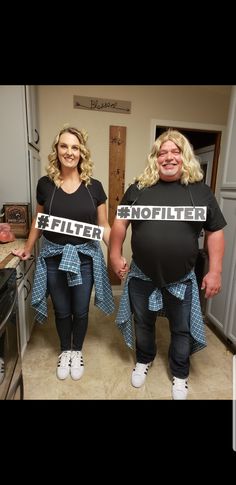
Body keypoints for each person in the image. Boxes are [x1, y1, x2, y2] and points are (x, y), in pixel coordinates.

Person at [109, 129, 226, 399]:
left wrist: (216, 271)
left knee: (181, 327)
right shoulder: (138, 188)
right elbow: (120, 223)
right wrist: (114, 254)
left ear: (184, 157)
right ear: (155, 158)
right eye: (163, 152)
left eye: (175, 152)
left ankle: (180, 374)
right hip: (141, 275)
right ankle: (144, 358)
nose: (169, 157)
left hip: (182, 278)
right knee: (143, 323)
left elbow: (215, 231)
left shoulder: (200, 191)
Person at [12, 125, 114, 381]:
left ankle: (77, 351)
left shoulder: (95, 187)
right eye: (64, 146)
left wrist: (116, 253)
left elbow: (104, 226)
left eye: (75, 147)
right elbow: (39, 219)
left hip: (85, 259)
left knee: (80, 310)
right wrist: (26, 249)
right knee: (61, 309)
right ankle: (64, 350)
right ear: (56, 150)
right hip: (54, 257)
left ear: (82, 152)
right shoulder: (46, 185)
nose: (69, 152)